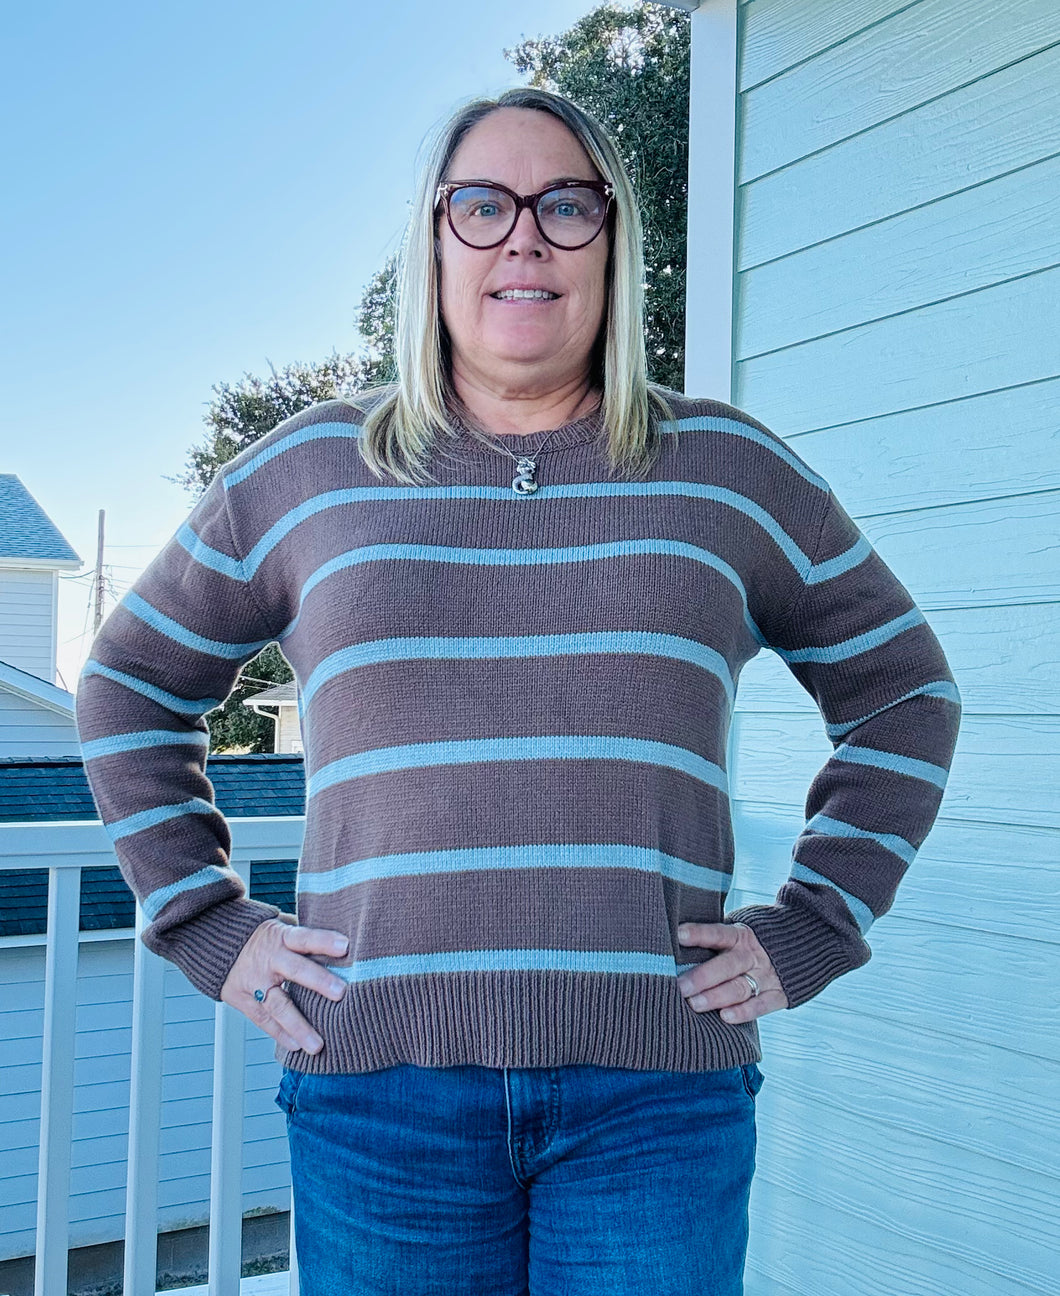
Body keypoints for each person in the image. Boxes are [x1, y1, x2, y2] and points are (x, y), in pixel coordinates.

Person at [75, 87, 962, 1295]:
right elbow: (129, 682)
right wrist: (199, 922)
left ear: (615, 243)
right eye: (482, 206)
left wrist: (818, 919)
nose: (524, 239)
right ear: (434, 243)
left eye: (566, 205)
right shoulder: (309, 472)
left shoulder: (727, 474)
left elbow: (903, 691)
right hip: (380, 1097)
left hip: (655, 1098)